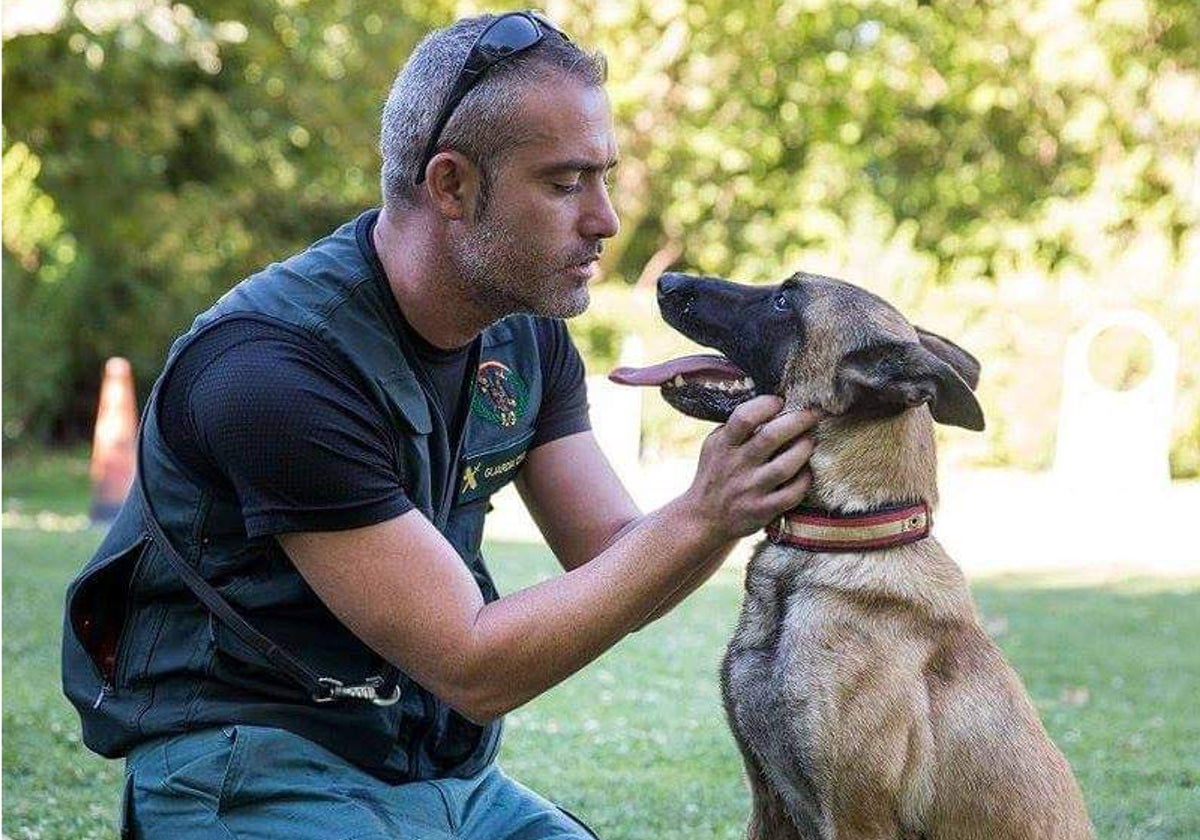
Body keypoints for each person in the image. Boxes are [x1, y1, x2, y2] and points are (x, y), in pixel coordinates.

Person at [62, 11, 819, 839]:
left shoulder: (526, 334)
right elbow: (474, 664)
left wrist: (743, 492)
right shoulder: (273, 372)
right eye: (566, 183)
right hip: (251, 770)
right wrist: (707, 510)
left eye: (604, 176)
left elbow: (618, 561)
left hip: (447, 779)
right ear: (451, 185)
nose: (604, 220)